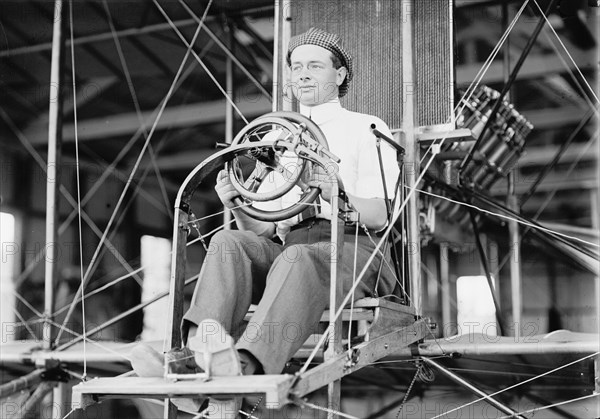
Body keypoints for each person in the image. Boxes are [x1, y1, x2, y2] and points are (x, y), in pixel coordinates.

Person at [130, 27, 400, 417]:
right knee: (228, 243)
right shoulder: (277, 135)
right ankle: (191, 357)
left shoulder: (367, 128)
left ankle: (244, 366)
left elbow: (379, 216)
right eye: (296, 67)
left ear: (339, 76)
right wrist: (237, 204)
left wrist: (333, 192)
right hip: (294, 247)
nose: (303, 75)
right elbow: (263, 231)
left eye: (315, 66)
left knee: (298, 258)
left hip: (357, 249)